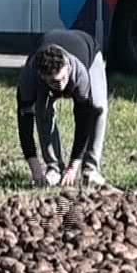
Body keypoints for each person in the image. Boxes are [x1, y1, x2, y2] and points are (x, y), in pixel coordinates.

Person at [17, 28, 109, 188]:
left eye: (63, 78)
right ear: (41, 75)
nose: (60, 84)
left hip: (89, 49)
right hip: (46, 58)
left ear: (67, 66)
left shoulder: (80, 73)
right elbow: (24, 120)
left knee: (97, 107)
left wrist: (74, 166)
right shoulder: (29, 76)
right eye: (53, 82)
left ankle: (91, 169)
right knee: (42, 111)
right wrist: (35, 168)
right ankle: (54, 168)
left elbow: (83, 119)